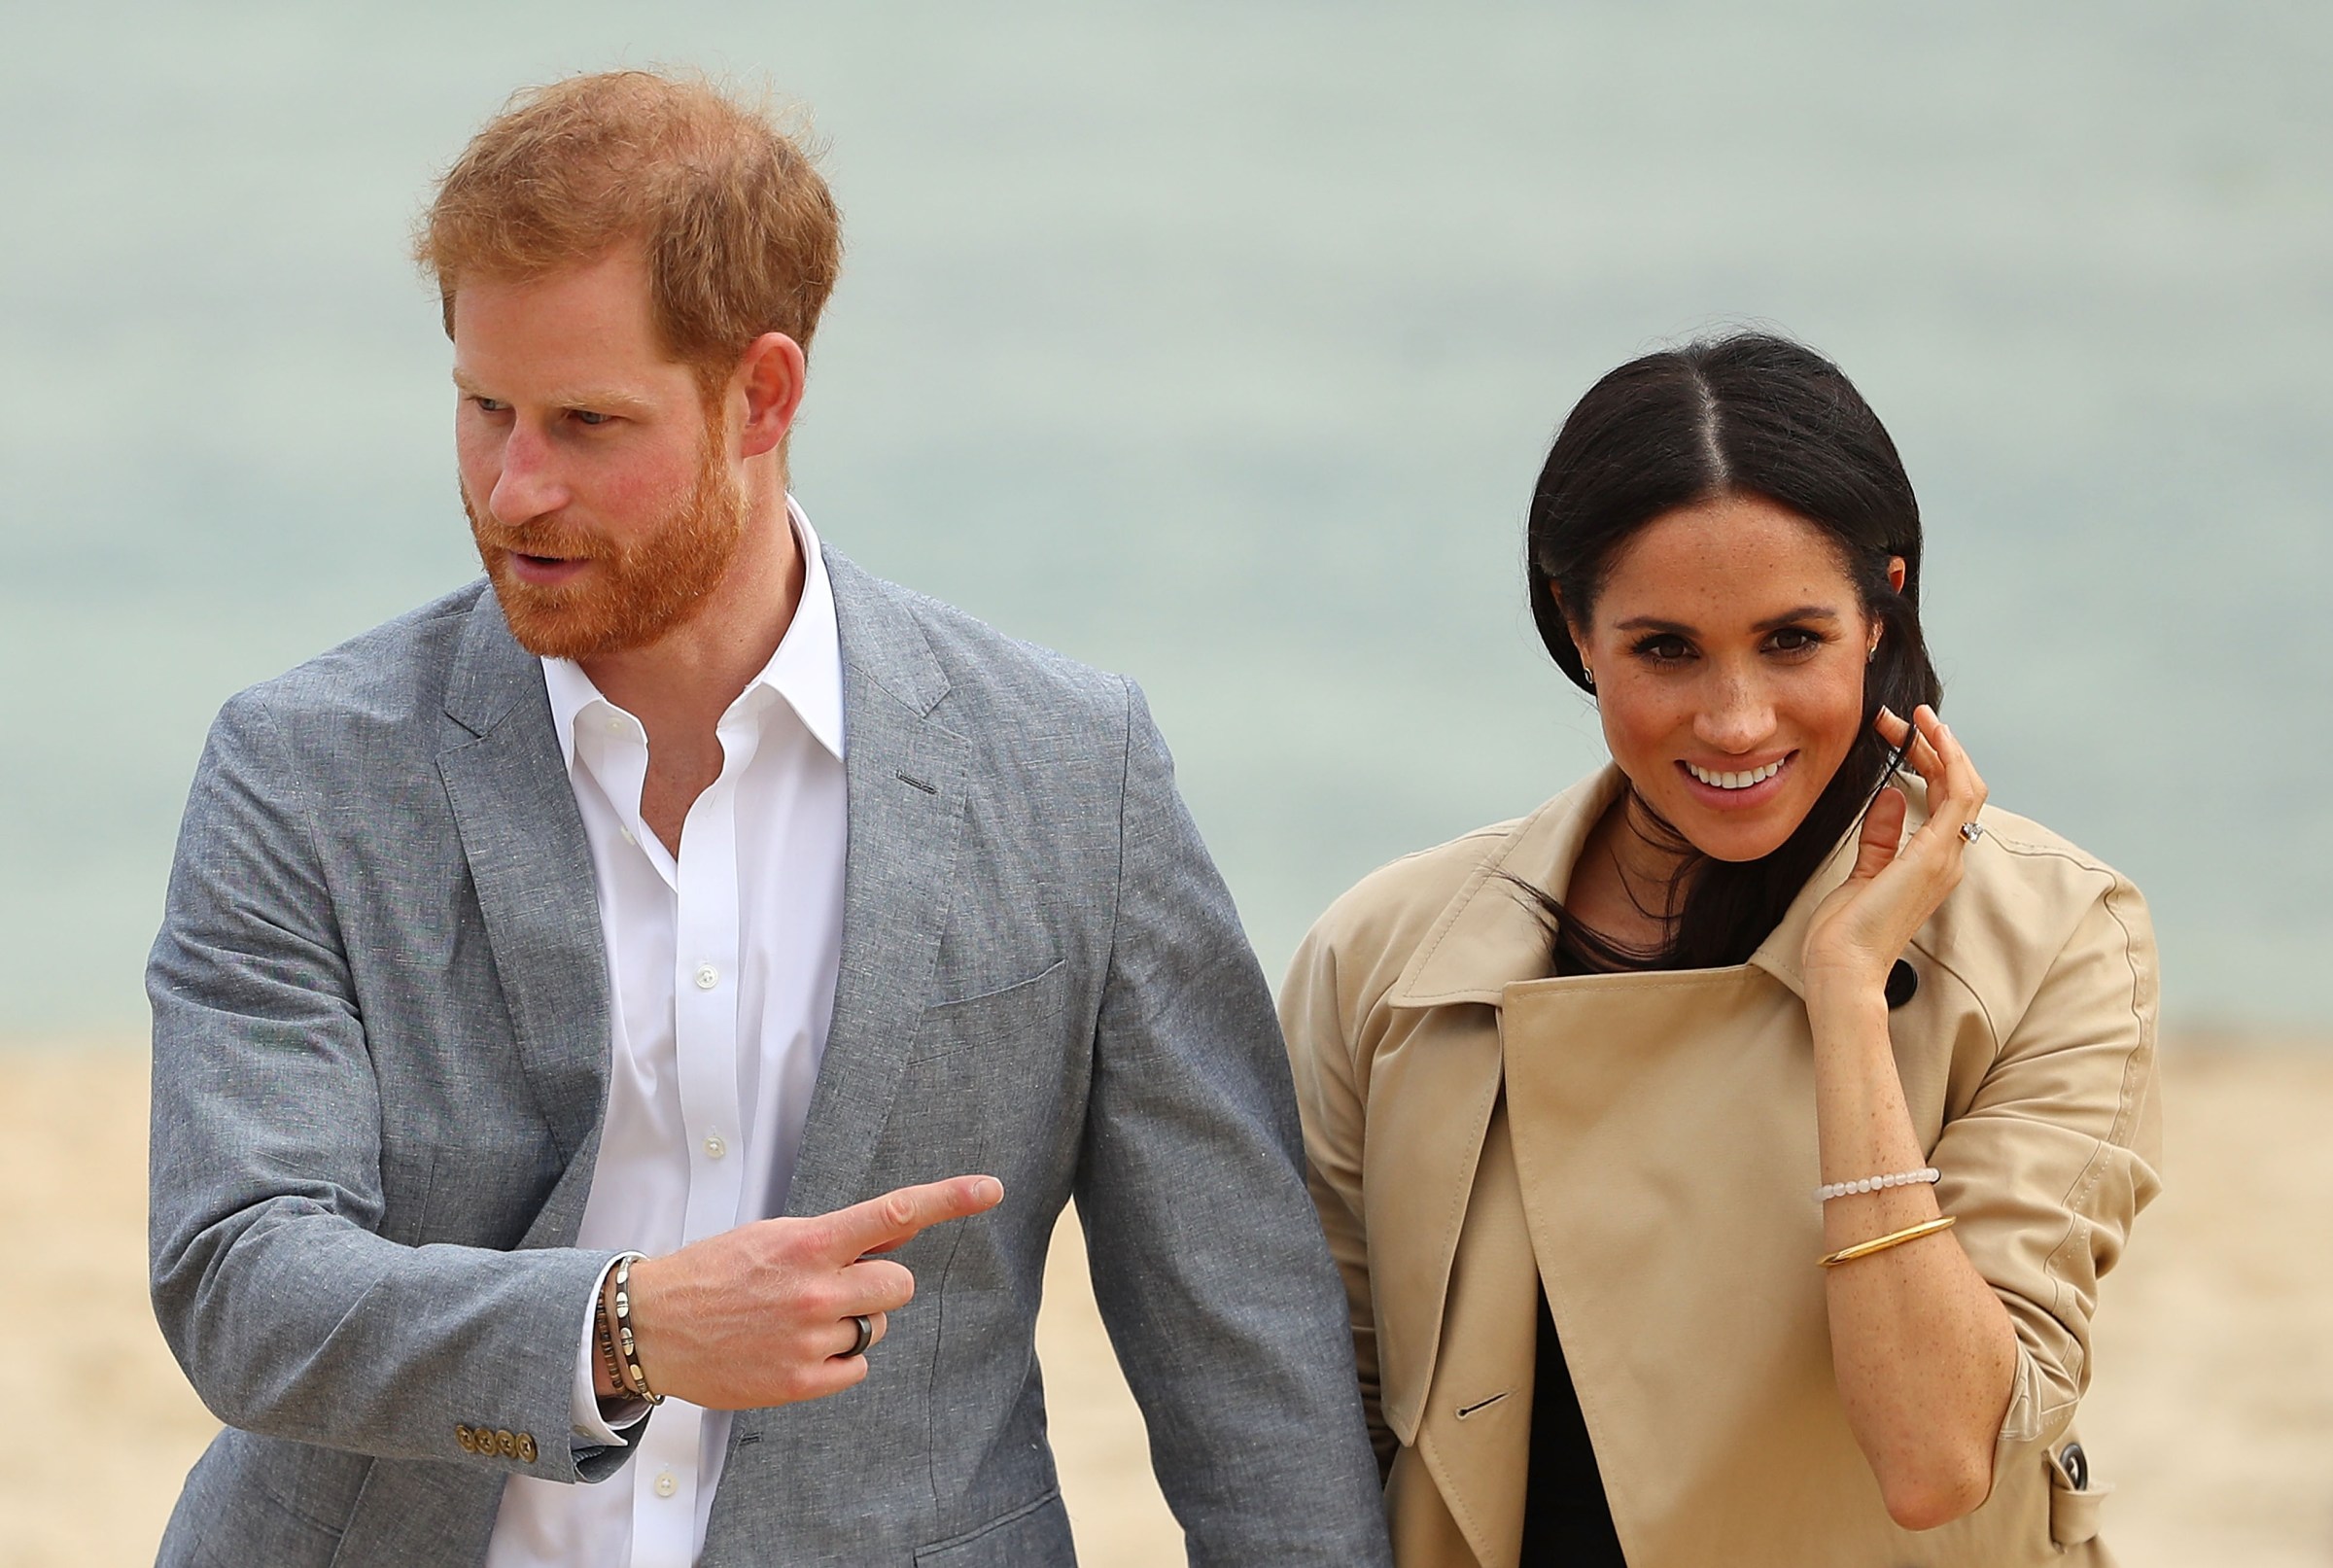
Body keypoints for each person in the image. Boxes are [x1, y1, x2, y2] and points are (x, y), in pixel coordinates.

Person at [147, 70, 1389, 1568]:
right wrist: (622, 1331)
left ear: (766, 395)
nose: (513, 487)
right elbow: (241, 1280)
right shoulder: (305, 770)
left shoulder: (1071, 774)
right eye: (484, 409)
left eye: (588, 422)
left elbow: (1241, 1343)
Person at [1281, 333, 2161, 1567]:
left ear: (1881, 611)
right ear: (1574, 630)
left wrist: (1845, 990)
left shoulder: (2058, 938)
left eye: (1792, 638)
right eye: (1666, 649)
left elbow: (1938, 1457)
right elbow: (1305, 1433)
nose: (1735, 718)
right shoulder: (1387, 958)